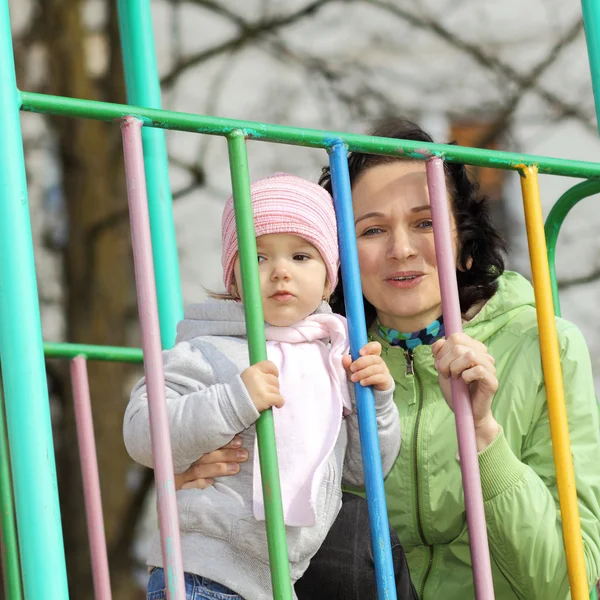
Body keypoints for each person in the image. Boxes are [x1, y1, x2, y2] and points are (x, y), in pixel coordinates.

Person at [176, 120, 600, 599]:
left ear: (463, 245)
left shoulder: (542, 343)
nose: (401, 250)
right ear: (338, 257)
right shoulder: (312, 356)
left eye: (425, 223)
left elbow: (565, 580)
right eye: (372, 229)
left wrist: (483, 434)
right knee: (347, 528)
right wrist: (192, 470)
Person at [123, 172, 402, 600]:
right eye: (259, 257)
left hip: (274, 581)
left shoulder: (333, 357)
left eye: (301, 256)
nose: (280, 273)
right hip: (202, 571)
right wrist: (234, 400)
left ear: (330, 276)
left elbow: (363, 472)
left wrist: (376, 404)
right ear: (233, 278)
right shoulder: (208, 348)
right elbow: (142, 431)